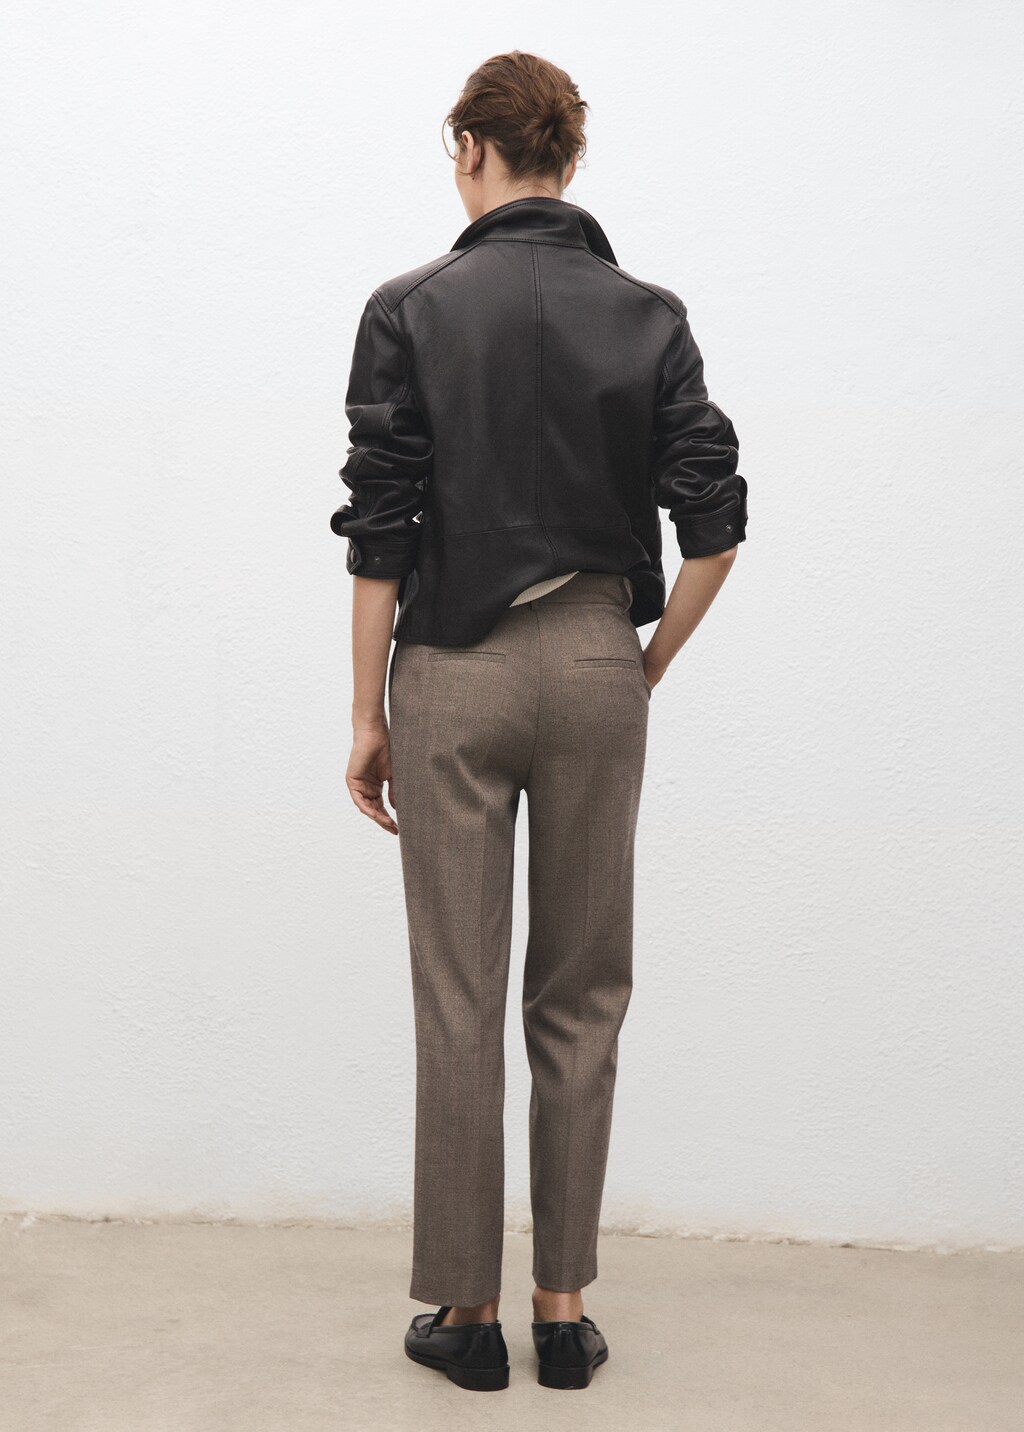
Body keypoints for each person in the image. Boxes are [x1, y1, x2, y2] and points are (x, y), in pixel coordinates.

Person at [329, 50, 748, 1393]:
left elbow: (380, 526)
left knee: (459, 994)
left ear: (471, 149)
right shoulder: (650, 316)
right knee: (583, 990)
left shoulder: (408, 309)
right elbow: (715, 525)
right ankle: (563, 1311)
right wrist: (641, 663)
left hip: (448, 671)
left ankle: (467, 1317)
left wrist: (365, 711)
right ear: (571, 158)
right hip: (591, 669)